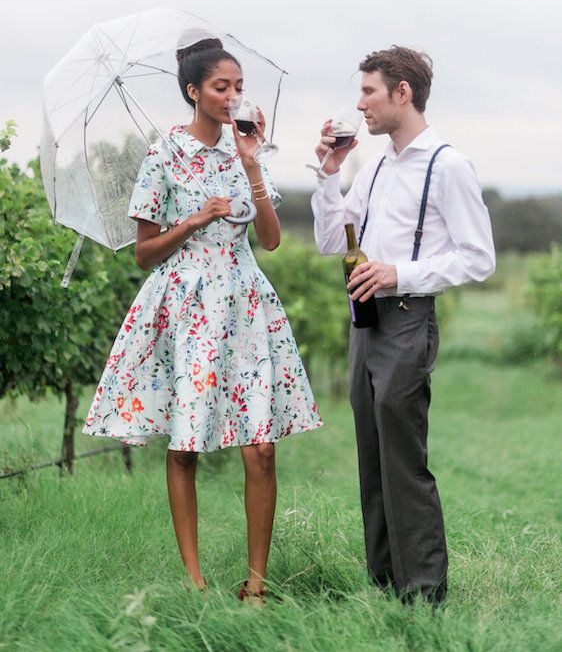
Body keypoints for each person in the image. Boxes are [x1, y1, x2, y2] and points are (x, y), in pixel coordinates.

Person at [83, 37, 322, 601]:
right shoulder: (163, 155)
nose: (233, 96)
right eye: (222, 86)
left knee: (261, 445)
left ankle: (256, 586)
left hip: (243, 302)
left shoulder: (245, 152)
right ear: (194, 91)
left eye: (239, 87)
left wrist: (251, 164)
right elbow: (144, 252)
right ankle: (194, 583)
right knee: (185, 445)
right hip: (185, 304)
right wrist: (193, 220)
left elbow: (270, 239)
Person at [311, 46, 495, 603]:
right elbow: (328, 241)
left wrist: (399, 274)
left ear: (402, 93)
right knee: (372, 457)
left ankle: (424, 594)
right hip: (362, 323)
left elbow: (479, 257)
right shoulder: (376, 165)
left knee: (403, 461)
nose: (359, 104)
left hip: (410, 319)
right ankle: (384, 583)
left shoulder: (448, 165)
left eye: (368, 92)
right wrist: (328, 176)